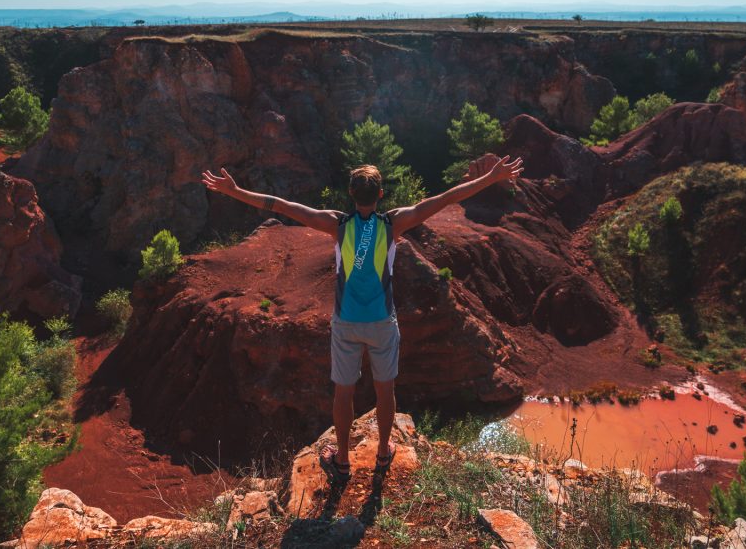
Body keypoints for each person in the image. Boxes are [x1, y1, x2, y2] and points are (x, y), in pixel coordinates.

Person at [201, 154, 523, 483]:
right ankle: (383, 451)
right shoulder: (393, 224)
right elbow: (445, 198)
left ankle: (342, 460)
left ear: (351, 193)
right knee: (386, 390)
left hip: (346, 322)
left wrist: (235, 191)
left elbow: (281, 205)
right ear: (380, 194)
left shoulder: (337, 224)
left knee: (344, 392)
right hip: (382, 321)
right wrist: (490, 178)